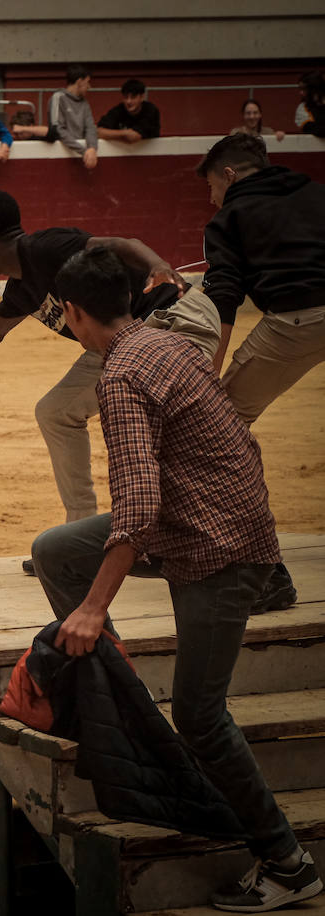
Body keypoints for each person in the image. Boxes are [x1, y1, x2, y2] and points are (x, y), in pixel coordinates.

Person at [31, 247, 321, 915]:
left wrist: (93, 609)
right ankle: (111, 690)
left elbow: (137, 506)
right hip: (211, 517)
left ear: (72, 313)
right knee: (56, 550)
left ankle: (288, 862)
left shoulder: (121, 376)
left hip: (218, 550)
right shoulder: (168, 342)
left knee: (199, 717)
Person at [0, 188, 222, 532]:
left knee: (161, 426)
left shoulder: (46, 248)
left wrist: (159, 266)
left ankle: (188, 523)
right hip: (122, 341)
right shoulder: (22, 288)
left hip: (174, 318)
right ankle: (80, 527)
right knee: (56, 412)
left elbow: (120, 244)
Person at [195, 133, 325, 613]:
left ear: (229, 174)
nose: (212, 198)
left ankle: (265, 572)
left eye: (212, 186)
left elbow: (224, 297)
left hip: (297, 319)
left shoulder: (228, 217)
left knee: (219, 431)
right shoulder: (316, 191)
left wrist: (207, 376)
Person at [52, 65, 99, 169]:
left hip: (81, 155)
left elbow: (90, 127)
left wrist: (92, 148)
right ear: (79, 82)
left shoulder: (84, 103)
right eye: (87, 82)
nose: (89, 87)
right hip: (61, 157)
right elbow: (58, 129)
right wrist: (83, 151)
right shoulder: (58, 98)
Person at [97, 78, 161, 143]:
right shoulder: (119, 110)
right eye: (125, 97)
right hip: (121, 149)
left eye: (133, 97)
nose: (128, 101)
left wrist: (112, 134)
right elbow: (98, 132)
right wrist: (126, 133)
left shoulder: (150, 110)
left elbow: (133, 137)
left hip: (152, 149)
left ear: (142, 97)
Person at [294, 71, 325, 137]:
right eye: (300, 89)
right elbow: (314, 129)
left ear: (315, 88)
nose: (301, 93)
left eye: (304, 89)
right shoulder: (303, 107)